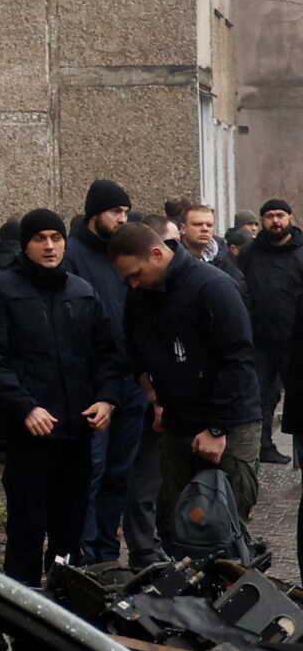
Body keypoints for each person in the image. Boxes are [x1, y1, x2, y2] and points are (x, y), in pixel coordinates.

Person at [0, 211, 122, 586]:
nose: (50, 245)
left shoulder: (82, 291)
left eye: (56, 237)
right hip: (27, 436)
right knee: (25, 528)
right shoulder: (2, 290)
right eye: (40, 238)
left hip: (76, 433)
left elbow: (108, 354)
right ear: (26, 244)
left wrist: (107, 399)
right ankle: (20, 608)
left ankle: (64, 606)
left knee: (69, 530)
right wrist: (24, 407)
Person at [110, 223, 264, 530]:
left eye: (136, 274)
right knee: (178, 525)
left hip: (229, 423)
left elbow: (237, 360)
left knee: (224, 528)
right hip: (177, 422)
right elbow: (135, 352)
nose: (134, 284)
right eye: (127, 279)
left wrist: (217, 430)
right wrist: (154, 397)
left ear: (156, 254)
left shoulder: (214, 287)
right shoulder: (140, 296)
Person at [69, 182, 162, 565]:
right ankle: (86, 553)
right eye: (114, 212)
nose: (122, 219)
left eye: (125, 212)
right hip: (93, 385)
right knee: (91, 472)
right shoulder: (72, 255)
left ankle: (107, 552)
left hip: (133, 381)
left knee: (121, 474)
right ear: (95, 214)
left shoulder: (125, 255)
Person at [241, 199, 303, 465]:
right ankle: (263, 447)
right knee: (261, 397)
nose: (275, 221)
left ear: (290, 217)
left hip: (297, 342)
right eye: (269, 216)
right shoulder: (249, 253)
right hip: (260, 342)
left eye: (280, 215)